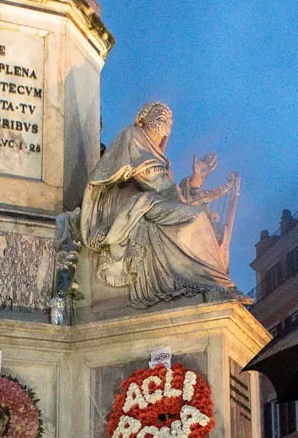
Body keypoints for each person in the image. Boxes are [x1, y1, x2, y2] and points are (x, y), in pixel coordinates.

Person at [77, 102, 242, 307]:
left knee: (207, 224)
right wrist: (192, 203)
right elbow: (154, 181)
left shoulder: (161, 157)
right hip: (129, 202)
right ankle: (209, 282)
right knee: (196, 217)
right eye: (159, 113)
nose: (166, 117)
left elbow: (170, 190)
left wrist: (197, 180)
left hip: (151, 201)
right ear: (142, 119)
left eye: (169, 117)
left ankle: (212, 282)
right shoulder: (133, 135)